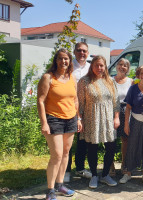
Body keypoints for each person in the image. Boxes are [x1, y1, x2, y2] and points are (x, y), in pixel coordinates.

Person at [37, 48, 80, 200]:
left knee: (66, 153)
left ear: (70, 61)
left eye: (66, 59)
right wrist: (44, 123)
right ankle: (50, 190)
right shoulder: (48, 77)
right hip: (54, 119)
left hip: (71, 119)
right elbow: (41, 101)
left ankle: (60, 185)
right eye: (61, 58)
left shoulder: (72, 77)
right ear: (56, 60)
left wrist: (78, 118)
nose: (64, 61)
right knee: (56, 155)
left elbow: (75, 100)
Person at [77, 55, 120, 189]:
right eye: (97, 65)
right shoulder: (84, 81)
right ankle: (94, 175)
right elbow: (79, 103)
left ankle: (105, 174)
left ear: (105, 66)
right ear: (92, 66)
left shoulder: (110, 81)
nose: (99, 68)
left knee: (111, 147)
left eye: (102, 65)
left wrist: (116, 117)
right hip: (92, 118)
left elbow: (116, 102)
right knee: (92, 148)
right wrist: (80, 119)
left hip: (108, 119)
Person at [119, 65, 143, 184]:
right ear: (138, 75)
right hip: (135, 121)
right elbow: (128, 107)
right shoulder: (133, 88)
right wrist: (126, 124)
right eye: (141, 73)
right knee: (132, 146)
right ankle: (128, 172)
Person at [65, 42, 92, 183]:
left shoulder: (90, 68)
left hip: (87, 108)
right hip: (69, 107)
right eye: (79, 50)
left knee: (83, 141)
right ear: (74, 52)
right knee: (68, 140)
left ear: (88, 53)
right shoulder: (69, 67)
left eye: (84, 51)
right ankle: (66, 170)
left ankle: (80, 168)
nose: (82, 53)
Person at [110, 58, 133, 176]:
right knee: (111, 139)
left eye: (125, 65)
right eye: (120, 64)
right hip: (111, 110)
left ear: (128, 69)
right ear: (116, 66)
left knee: (125, 139)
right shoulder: (109, 80)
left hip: (126, 110)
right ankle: (111, 164)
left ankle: (124, 164)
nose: (122, 67)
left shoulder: (131, 81)